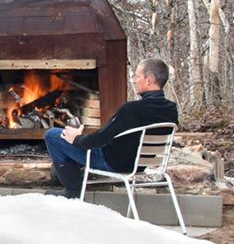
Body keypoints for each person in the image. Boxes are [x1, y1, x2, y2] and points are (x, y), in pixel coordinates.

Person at [43, 57, 179, 198]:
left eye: (137, 77)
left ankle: (72, 191)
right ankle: (74, 173)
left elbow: (100, 139)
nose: (134, 80)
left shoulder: (131, 109)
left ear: (149, 80)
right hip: (139, 165)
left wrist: (76, 138)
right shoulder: (171, 110)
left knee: (52, 135)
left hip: (113, 163)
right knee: (78, 143)